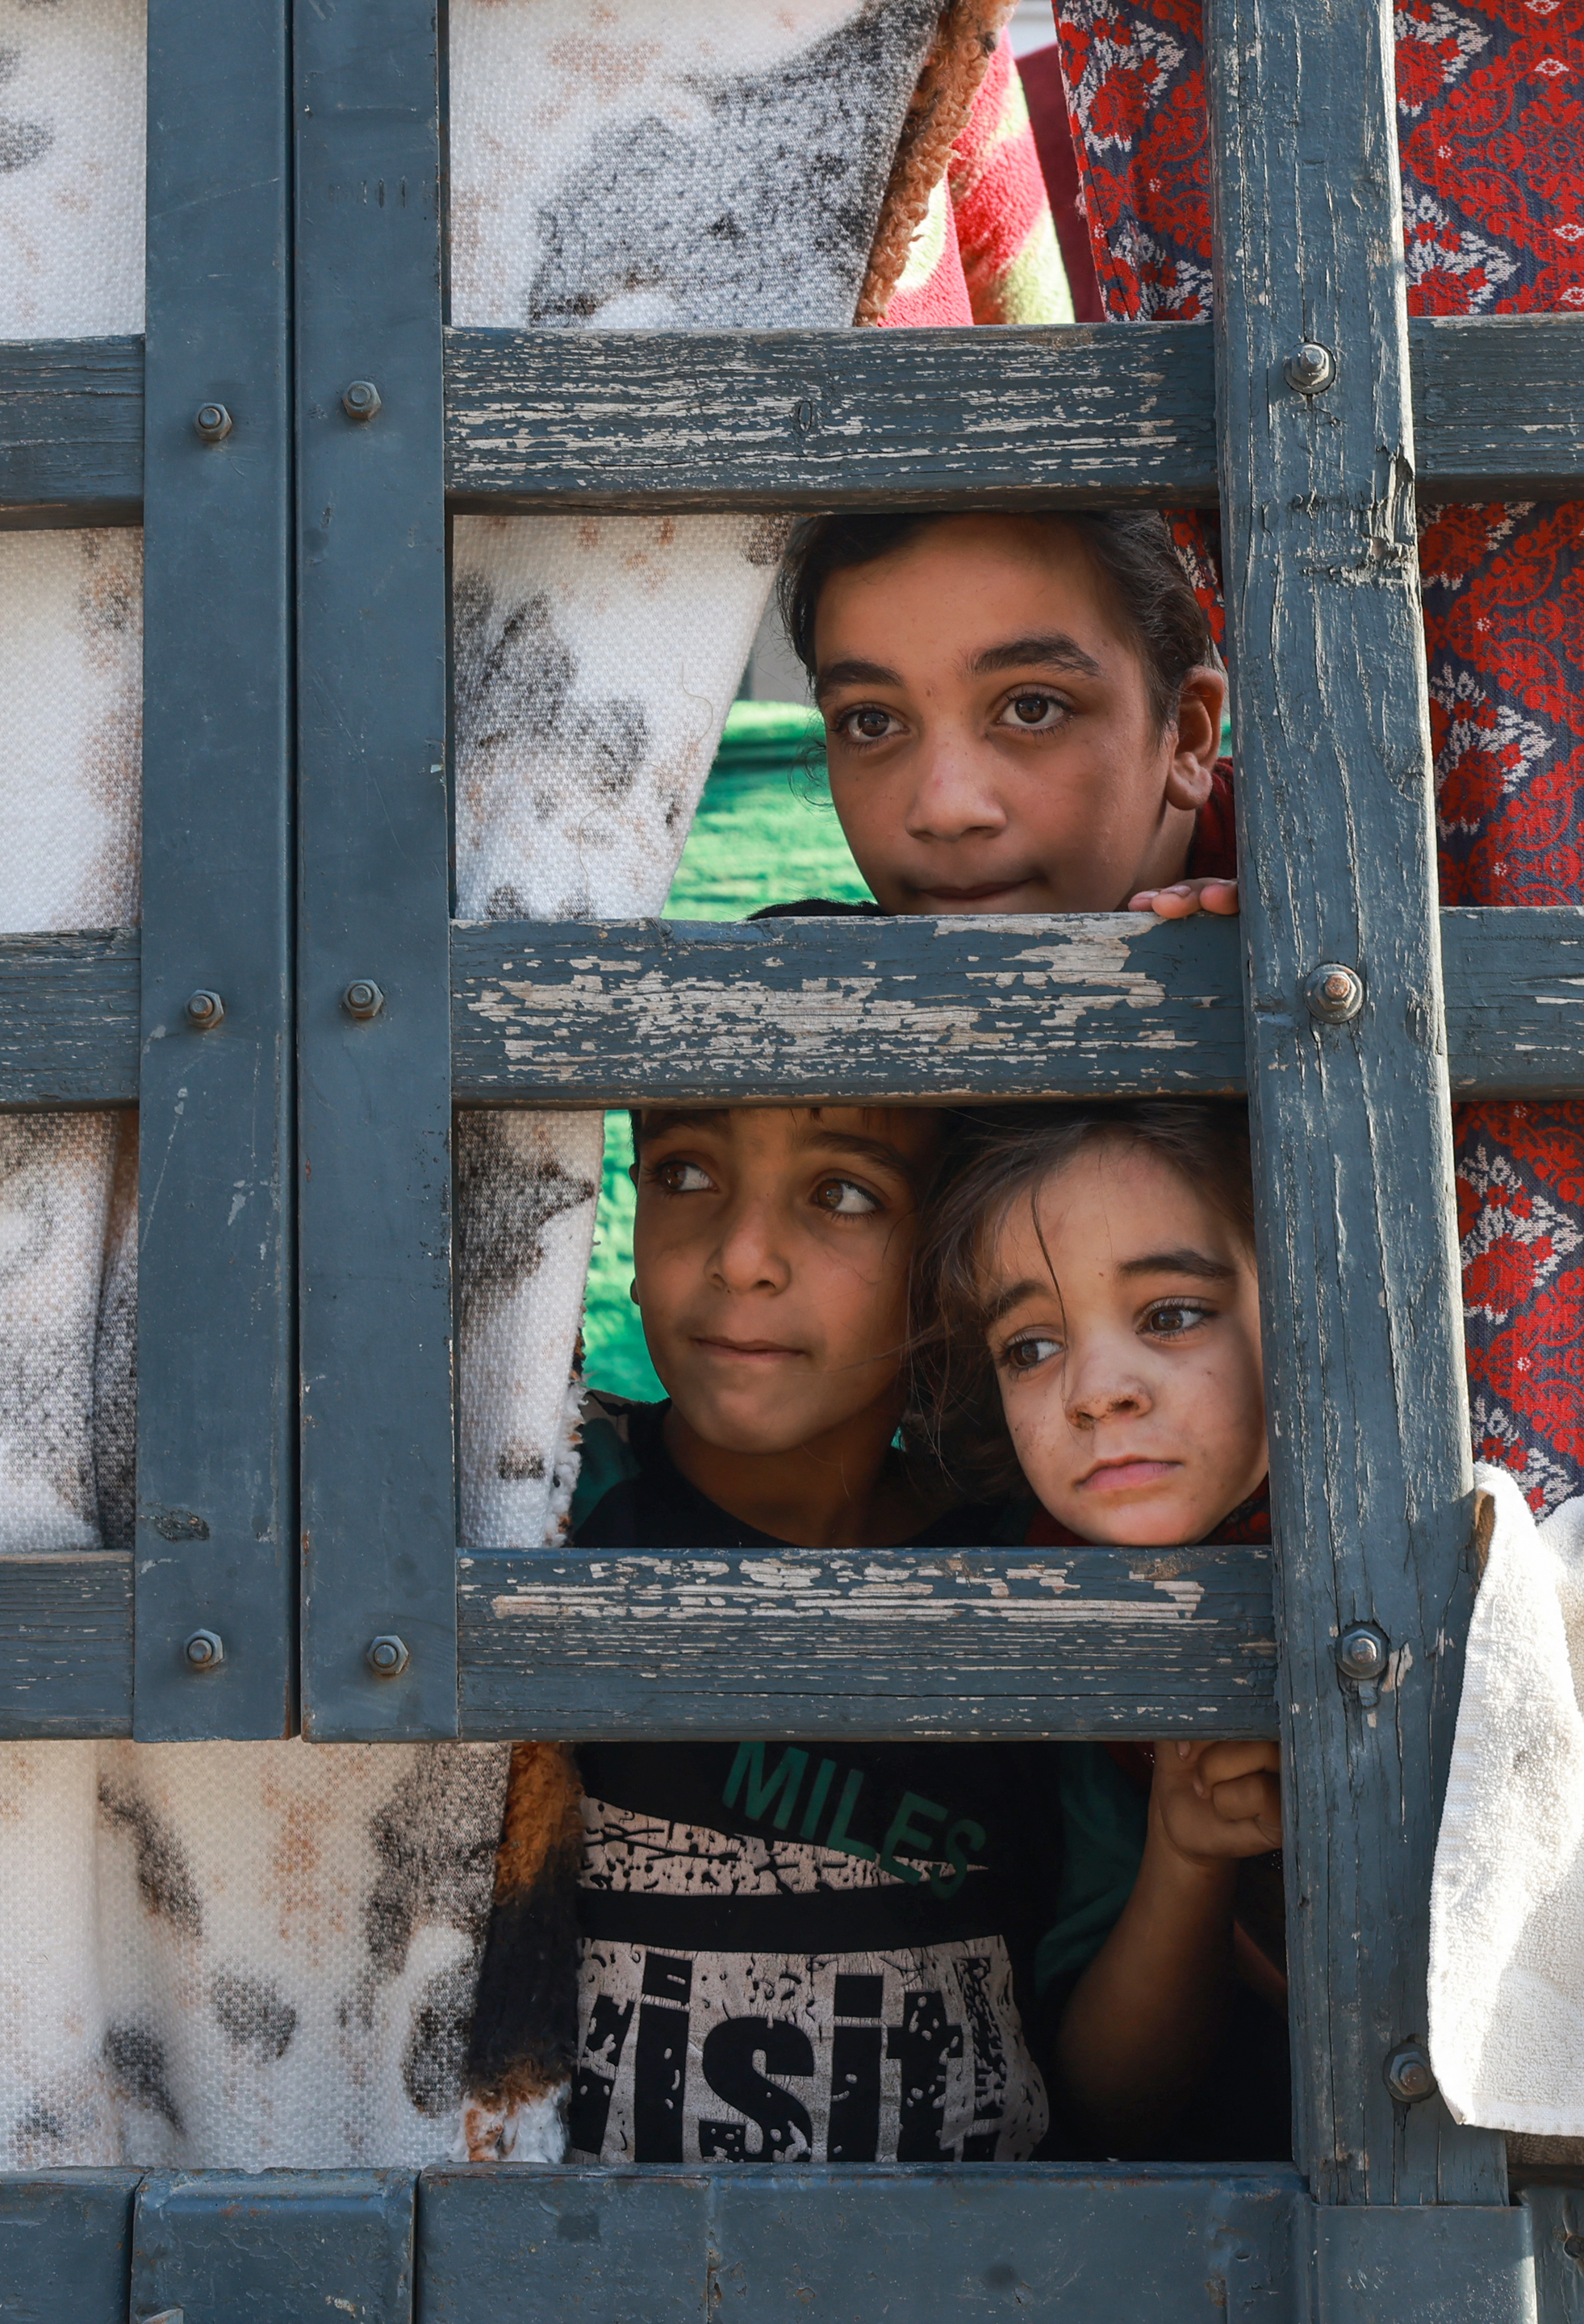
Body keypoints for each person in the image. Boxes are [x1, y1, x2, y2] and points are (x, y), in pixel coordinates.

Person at [478, 917, 1072, 2164]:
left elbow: (1114, 2079)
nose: (740, 1259)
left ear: (949, 1262)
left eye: (842, 1194)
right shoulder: (543, 1503)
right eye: (685, 1176)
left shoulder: (1038, 1561)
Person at [915, 1100, 1289, 2160]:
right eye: (1030, 1346)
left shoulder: (1453, 1511)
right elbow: (1109, 2101)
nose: (1092, 1392)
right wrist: (1182, 1849)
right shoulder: (1053, 1607)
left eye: (1169, 1314)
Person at [779, 511, 1240, 926]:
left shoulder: (1303, 874)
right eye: (871, 722)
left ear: (1185, 738)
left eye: (1031, 710)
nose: (946, 813)